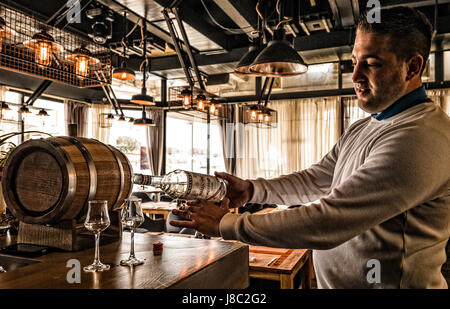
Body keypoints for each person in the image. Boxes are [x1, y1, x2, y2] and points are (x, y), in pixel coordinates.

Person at [170, 6, 450, 289]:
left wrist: (226, 225)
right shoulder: (365, 127)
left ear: (413, 67)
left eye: (372, 63)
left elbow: (330, 221)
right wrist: (253, 189)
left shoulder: (421, 136)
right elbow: (317, 180)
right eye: (355, 61)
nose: (355, 76)